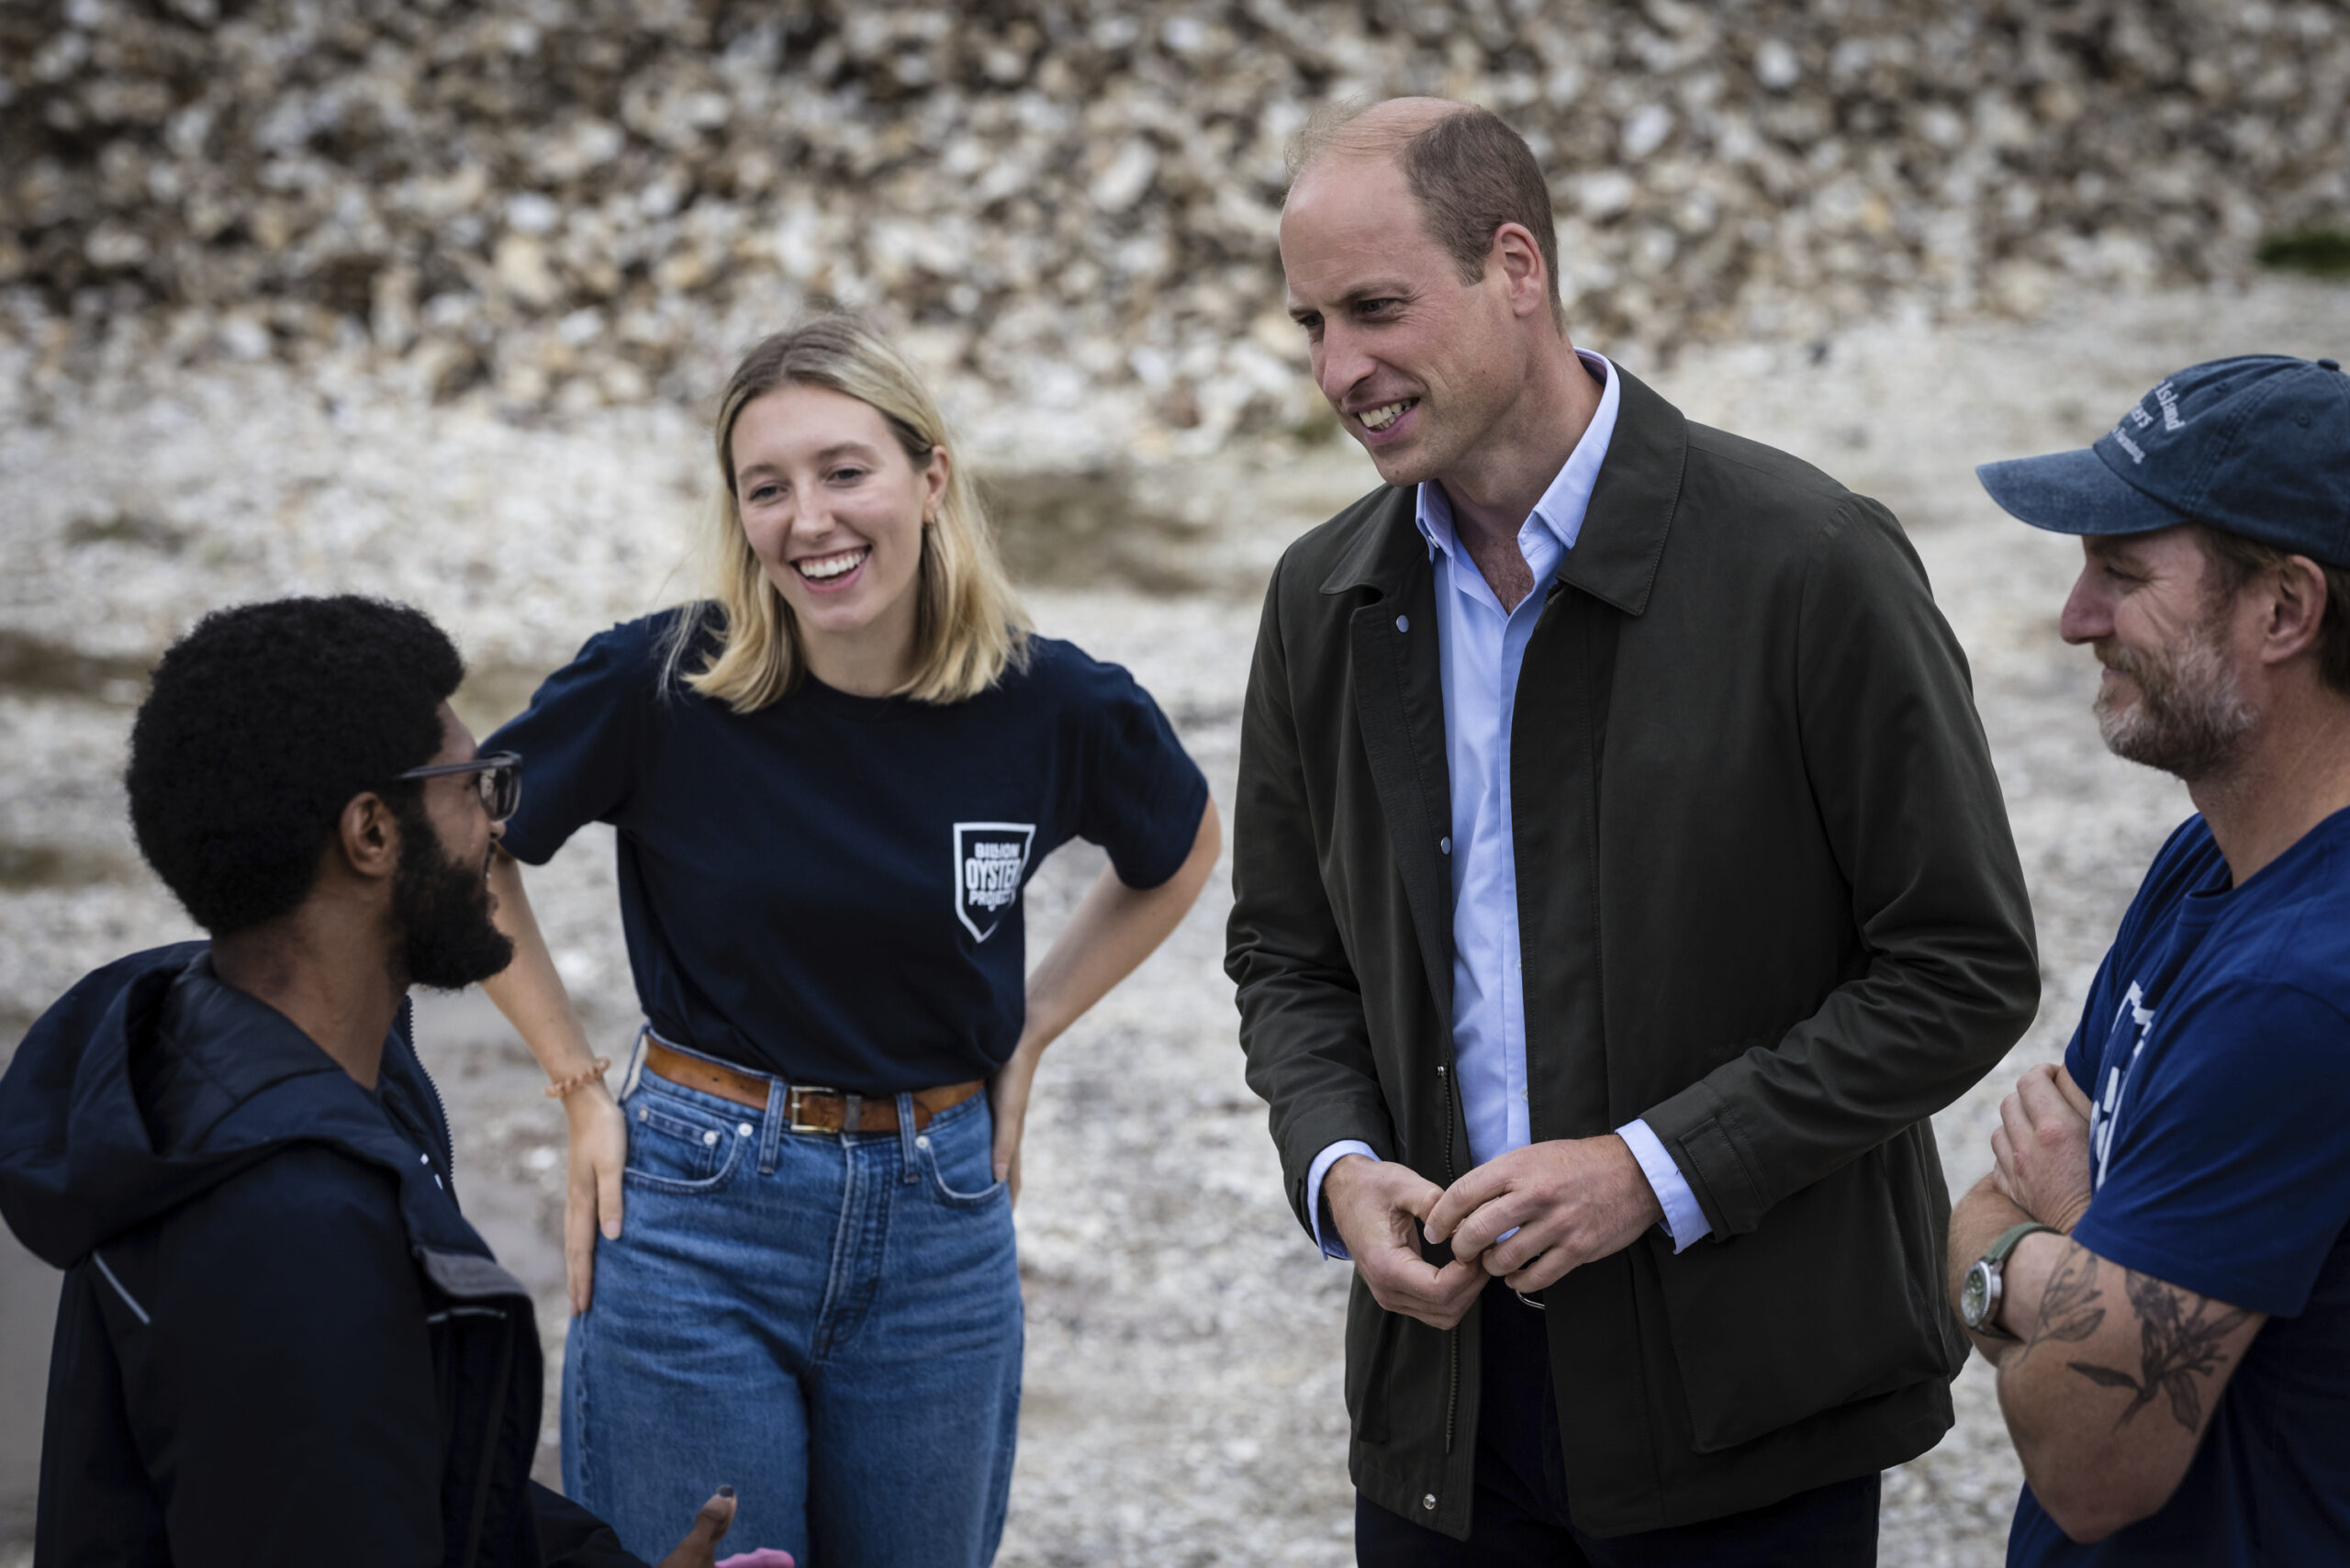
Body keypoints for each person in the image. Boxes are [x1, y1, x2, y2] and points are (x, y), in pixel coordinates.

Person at [1225, 98, 2042, 1563]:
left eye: (1376, 309)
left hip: (1749, 1420)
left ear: (1518, 268)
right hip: (1442, 1424)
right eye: (1309, 326)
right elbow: (1288, 959)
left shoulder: (1814, 561)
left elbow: (1959, 968)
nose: (1339, 370)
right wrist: (1337, 1169)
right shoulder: (1319, 600)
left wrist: (1651, 1172)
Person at [476, 315, 1219, 1566]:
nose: (807, 520)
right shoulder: (661, 685)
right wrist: (573, 1082)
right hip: (694, 1225)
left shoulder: (1056, 701)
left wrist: (1028, 1033)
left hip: (942, 1230)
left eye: (843, 472)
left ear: (931, 479)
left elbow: (1183, 851)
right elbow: (466, 847)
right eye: (766, 488)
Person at [0, 596, 756, 1567]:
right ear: (370, 832)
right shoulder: (295, 1229)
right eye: (474, 786)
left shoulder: (206, 1059)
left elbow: (417, 1477)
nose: (497, 823)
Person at [1952, 354, 2350, 1562]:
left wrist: (2066, 1231)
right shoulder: (2204, 865)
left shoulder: (2298, 994)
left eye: (2122, 575)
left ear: (2284, 609)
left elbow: (2087, 1461)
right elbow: (1977, 1203)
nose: (2075, 620)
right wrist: (2080, 1268)